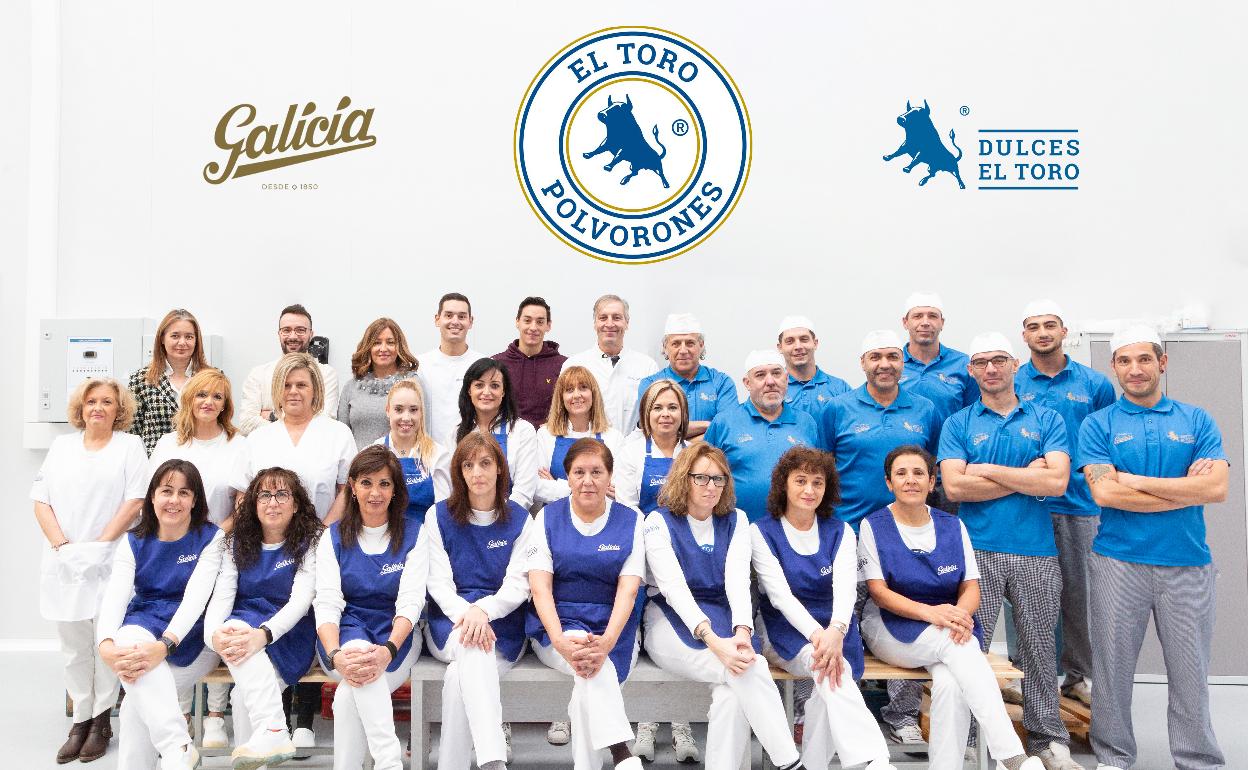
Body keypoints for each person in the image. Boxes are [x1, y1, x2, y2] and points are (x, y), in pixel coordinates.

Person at [1078, 325, 1229, 770]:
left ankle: (1198, 760)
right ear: (1114, 367)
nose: (1135, 369)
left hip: (1187, 563)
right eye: (1125, 361)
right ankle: (1113, 757)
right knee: (1112, 669)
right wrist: (1185, 490)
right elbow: (1105, 494)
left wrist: (1134, 480)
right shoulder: (1098, 424)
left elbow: (1216, 489)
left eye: (1144, 359)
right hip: (1118, 562)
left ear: (1162, 362)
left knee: (1190, 671)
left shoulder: (1196, 419)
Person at [939, 332, 1081, 770]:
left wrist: (986, 470)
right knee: (969, 648)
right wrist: (1025, 475)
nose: (991, 369)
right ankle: (974, 738)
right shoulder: (959, 423)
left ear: (1015, 364)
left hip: (1036, 550)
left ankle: (1046, 738)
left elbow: (1056, 481)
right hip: (976, 551)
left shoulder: (1046, 418)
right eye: (981, 362)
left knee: (1038, 648)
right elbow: (955, 487)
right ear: (971, 370)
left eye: (999, 360)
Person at [859, 446, 1042, 770]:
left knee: (950, 683)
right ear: (889, 483)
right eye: (901, 473)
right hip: (890, 625)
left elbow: (970, 587)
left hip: (949, 624)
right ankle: (1012, 755)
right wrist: (933, 614)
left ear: (932, 482)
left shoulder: (953, 526)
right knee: (958, 647)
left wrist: (960, 614)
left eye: (919, 473)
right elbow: (879, 592)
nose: (910, 480)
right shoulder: (873, 526)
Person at [643, 443, 807, 770]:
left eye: (719, 479)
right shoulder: (658, 522)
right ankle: (790, 763)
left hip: (724, 617)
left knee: (731, 693)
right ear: (684, 478)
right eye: (701, 478)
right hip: (669, 619)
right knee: (749, 669)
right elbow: (674, 590)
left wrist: (742, 632)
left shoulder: (736, 519)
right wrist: (715, 642)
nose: (711, 487)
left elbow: (737, 581)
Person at [818, 330, 941, 746]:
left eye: (892, 356)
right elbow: (822, 469)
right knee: (840, 618)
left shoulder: (924, 409)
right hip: (847, 531)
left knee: (908, 614)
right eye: (875, 357)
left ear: (902, 361)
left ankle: (902, 715)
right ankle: (838, 709)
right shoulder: (838, 409)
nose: (884, 364)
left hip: (905, 533)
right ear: (863, 363)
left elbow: (931, 467)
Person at [752, 447, 893, 770]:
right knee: (829, 668)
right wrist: (820, 637)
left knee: (827, 690)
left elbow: (845, 589)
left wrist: (836, 632)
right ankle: (875, 759)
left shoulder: (840, 531)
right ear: (783, 484)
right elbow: (780, 597)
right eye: (800, 480)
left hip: (837, 629)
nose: (809, 490)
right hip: (784, 629)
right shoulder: (761, 531)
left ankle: (816, 764)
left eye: (818, 482)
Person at [32, 378, 146, 764]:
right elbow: (41, 501)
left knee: (105, 640)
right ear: (81, 408)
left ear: (119, 409)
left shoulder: (130, 446)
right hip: (63, 560)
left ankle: (101, 721)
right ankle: (80, 719)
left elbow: (135, 500)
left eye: (107, 402)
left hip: (110, 557)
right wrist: (62, 546)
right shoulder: (61, 447)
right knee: (73, 647)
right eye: (91, 401)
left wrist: (100, 545)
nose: (98, 407)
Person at [1014, 300, 1114, 707]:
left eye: (1050, 325)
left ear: (1063, 331)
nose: (1042, 332)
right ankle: (1026, 674)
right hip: (1027, 506)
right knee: (1027, 597)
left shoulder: (1094, 383)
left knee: (1080, 596)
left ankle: (1078, 676)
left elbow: (1108, 439)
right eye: (1034, 326)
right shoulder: (1012, 380)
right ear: (1024, 335)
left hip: (1079, 506)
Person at [95, 459, 225, 770]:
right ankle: (178, 748)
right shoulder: (133, 541)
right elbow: (115, 599)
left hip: (192, 638)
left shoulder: (212, 538)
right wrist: (106, 646)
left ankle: (176, 749)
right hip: (144, 625)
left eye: (184, 492)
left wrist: (164, 646)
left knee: (134, 707)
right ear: (152, 496)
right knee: (127, 638)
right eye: (166, 491)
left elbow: (195, 602)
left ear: (195, 500)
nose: (174, 500)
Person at [525, 439, 645, 770]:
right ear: (567, 477)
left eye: (597, 472)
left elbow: (628, 591)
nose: (588, 481)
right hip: (557, 627)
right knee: (590, 662)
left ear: (610, 476)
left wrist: (607, 642)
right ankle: (622, 753)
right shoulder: (547, 518)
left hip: (614, 629)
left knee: (588, 680)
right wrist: (560, 641)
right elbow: (540, 589)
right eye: (579, 472)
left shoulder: (631, 521)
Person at [148, 367, 248, 746]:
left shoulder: (238, 444)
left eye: (217, 397)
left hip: (223, 544)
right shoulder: (168, 444)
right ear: (189, 399)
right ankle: (182, 715)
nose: (209, 402)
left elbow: (243, 502)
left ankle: (216, 716)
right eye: (202, 394)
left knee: (216, 622)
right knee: (179, 622)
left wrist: (214, 536)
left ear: (226, 405)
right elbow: (154, 499)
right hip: (175, 549)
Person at [424, 432, 535, 770]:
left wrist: (483, 611)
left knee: (459, 677)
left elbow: (519, 584)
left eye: (485, 463)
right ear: (459, 472)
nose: (477, 473)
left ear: (500, 468)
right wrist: (469, 614)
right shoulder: (438, 516)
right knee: (472, 648)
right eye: (468, 465)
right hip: (450, 624)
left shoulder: (521, 519)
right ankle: (492, 759)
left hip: (503, 627)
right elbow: (438, 584)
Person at [313, 445, 427, 770]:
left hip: (397, 636)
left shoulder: (415, 534)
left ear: (395, 490)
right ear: (352, 486)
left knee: (347, 698)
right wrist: (336, 655)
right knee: (361, 660)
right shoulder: (332, 538)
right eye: (366, 483)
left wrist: (388, 650)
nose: (375, 493)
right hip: (344, 635)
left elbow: (410, 602)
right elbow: (327, 603)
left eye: (384, 484)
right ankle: (389, 762)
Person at [203, 467, 321, 769]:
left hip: (289, 634)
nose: (273, 502)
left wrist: (264, 635)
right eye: (265, 495)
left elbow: (301, 601)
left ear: (296, 504)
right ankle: (274, 730)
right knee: (232, 628)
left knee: (243, 697)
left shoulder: (311, 542)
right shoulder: (235, 542)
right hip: (243, 628)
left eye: (282, 494)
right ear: (253, 504)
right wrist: (214, 635)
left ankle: (272, 733)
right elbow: (222, 596)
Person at [242, 352, 357, 523]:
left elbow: (347, 491)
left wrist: (323, 532)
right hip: (267, 536)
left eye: (301, 385)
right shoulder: (257, 439)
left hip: (322, 533)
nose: (293, 391)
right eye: (286, 385)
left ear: (315, 390)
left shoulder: (339, 434)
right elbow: (243, 495)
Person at [705, 350, 819, 521]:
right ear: (747, 383)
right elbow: (703, 475)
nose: (770, 381)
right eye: (760, 375)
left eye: (776, 373)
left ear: (786, 379)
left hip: (793, 529)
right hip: (735, 528)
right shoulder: (724, 422)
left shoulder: (806, 422)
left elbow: (818, 476)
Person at [562, 294, 659, 434]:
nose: (609, 324)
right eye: (603, 318)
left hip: (632, 445)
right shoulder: (574, 364)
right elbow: (563, 414)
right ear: (595, 323)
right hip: (587, 444)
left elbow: (653, 415)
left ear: (627, 323)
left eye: (616, 317)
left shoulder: (647, 366)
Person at [238, 304, 340, 435]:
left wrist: (272, 415)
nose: (293, 336)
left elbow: (325, 423)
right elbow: (246, 424)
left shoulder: (326, 374)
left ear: (311, 334)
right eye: (286, 330)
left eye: (300, 330)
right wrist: (299, 422)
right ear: (279, 334)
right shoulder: (258, 375)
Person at [455, 358, 539, 509]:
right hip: (465, 516)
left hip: (511, 516)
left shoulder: (523, 431)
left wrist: (500, 518)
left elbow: (524, 491)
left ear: (503, 391)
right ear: (469, 390)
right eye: (479, 385)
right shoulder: (455, 433)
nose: (486, 392)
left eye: (494, 386)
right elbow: (453, 486)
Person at [636, 313, 737, 439]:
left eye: (690, 343)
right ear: (665, 347)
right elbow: (649, 427)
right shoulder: (650, 384)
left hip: (707, 454)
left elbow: (728, 428)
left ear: (701, 345)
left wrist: (676, 438)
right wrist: (709, 425)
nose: (683, 350)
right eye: (676, 344)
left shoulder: (721, 383)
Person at [535, 366, 625, 507]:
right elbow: (537, 487)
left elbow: (617, 490)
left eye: (583, 388)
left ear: (593, 394)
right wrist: (595, 488)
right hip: (555, 516)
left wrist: (557, 486)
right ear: (561, 398)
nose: (576, 395)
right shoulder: (545, 435)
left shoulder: (614, 437)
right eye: (569, 390)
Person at [128, 308, 211, 455]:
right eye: (175, 336)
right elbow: (132, 433)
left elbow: (221, 423)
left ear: (196, 341)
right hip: (158, 462)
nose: (182, 342)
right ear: (162, 339)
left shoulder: (211, 377)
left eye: (189, 337)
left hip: (202, 459)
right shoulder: (141, 380)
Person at [338, 317, 428, 449]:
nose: (383, 348)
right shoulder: (351, 387)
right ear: (368, 347)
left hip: (401, 461)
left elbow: (423, 431)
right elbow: (341, 438)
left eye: (390, 342)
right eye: (377, 343)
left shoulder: (413, 383)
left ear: (399, 347)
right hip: (359, 461)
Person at [374, 379, 452, 523]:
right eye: (398, 409)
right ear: (387, 411)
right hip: (383, 533)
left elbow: (443, 512)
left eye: (413, 410)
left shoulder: (438, 455)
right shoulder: (373, 452)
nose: (406, 418)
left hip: (426, 533)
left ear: (421, 412)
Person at [898, 292, 979, 426]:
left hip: (951, 440)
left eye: (932, 316)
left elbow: (975, 416)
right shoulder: (892, 365)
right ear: (905, 322)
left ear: (942, 323)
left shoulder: (964, 364)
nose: (925, 322)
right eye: (917, 316)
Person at [614, 379, 689, 513]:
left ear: (683, 413)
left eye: (672, 407)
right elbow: (627, 508)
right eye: (657, 408)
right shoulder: (630, 453)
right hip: (642, 525)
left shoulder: (694, 453)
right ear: (646, 413)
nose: (665, 414)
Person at [420, 293, 485, 448]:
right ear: (437, 319)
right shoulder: (420, 365)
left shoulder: (484, 364)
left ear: (470, 321)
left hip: (472, 453)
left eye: (462, 316)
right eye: (449, 315)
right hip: (429, 455)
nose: (455, 321)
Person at [492, 296, 568, 428]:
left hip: (548, 437)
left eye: (540, 322)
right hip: (507, 437)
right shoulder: (496, 363)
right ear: (517, 322)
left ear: (548, 325)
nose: (533, 327)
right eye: (527, 320)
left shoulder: (563, 365)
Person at [776, 316, 851, 419]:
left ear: (815, 343)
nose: (798, 346)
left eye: (804, 339)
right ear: (780, 347)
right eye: (790, 341)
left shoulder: (840, 388)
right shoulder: (772, 389)